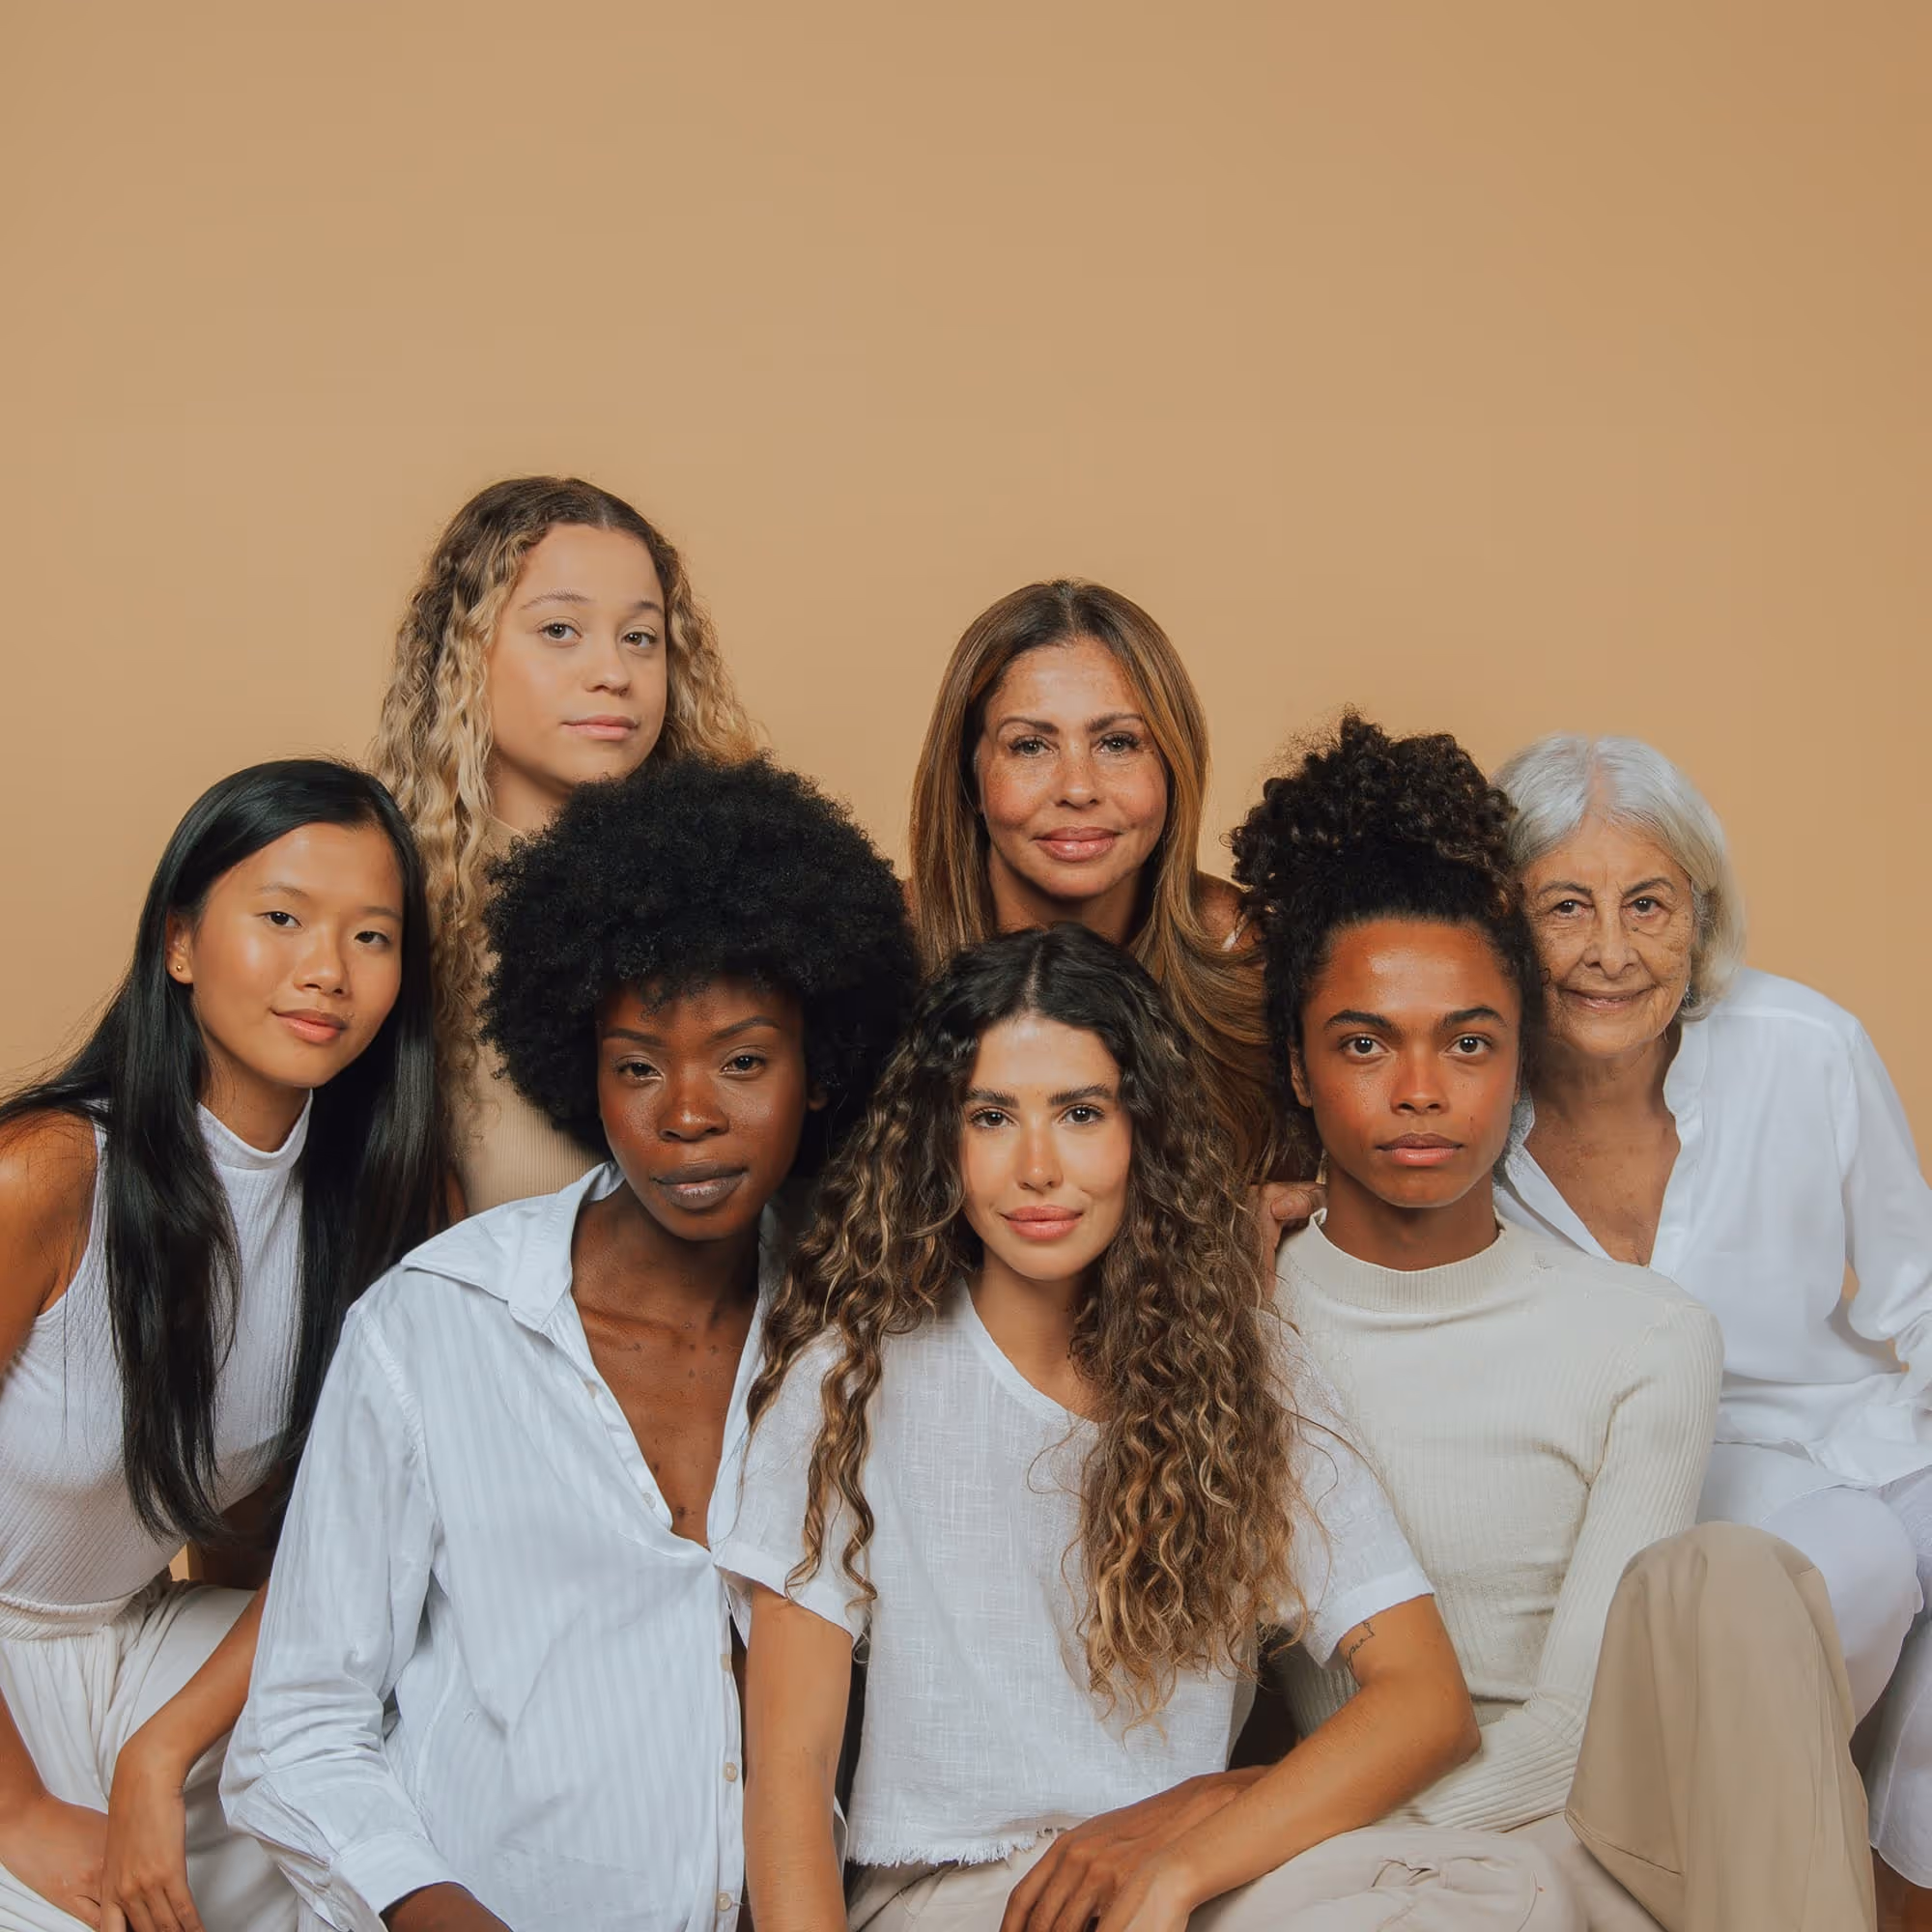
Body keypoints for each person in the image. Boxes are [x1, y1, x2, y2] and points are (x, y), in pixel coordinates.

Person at [727, 922, 1581, 1932]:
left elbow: (1421, 1701)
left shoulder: (1245, 1369)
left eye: (1080, 1112)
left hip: (1185, 1883)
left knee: (1505, 1894)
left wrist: (1182, 1862)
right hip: (954, 1894)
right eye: (992, 1114)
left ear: (1142, 1132)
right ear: (941, 1140)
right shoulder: (848, 1382)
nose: (1037, 1166)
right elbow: (786, 1779)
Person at [222, 756, 919, 1932]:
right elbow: (296, 1730)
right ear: (580, 1068)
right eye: (637, 1064)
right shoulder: (435, 1325)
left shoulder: (860, 1338)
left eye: (743, 1060)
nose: (685, 1112)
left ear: (820, 1070)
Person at [1237, 716, 1874, 1931]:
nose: (1419, 1090)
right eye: (1365, 1043)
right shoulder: (1243, 1318)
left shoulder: (1647, 1335)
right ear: (1300, 1065)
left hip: (1602, 1828)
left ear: (1516, 1052)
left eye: (1465, 1043)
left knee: (1737, 1569)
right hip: (1358, 1869)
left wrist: (1256, 1819)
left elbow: (1575, 1729)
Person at [0, 760, 442, 1932]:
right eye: (283, 917)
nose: (326, 970)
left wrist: (165, 1748)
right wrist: (17, 1813)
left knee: (426, 1688)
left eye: (372, 935)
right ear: (182, 942)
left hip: (140, 1653)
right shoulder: (45, 1176)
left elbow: (315, 1553)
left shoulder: (384, 1210)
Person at [1491, 731, 1931, 1897]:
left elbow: (1919, 1291)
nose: (1610, 952)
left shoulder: (1805, 1045)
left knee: (1861, 1563)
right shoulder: (1457, 1092)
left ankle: (1880, 1888)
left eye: (1648, 903)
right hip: (1592, 1500)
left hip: (1824, 1458)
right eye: (1563, 907)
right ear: (1497, 917)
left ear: (1700, 910)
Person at [373, 474, 760, 1214]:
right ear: (464, 656)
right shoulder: (384, 906)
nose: (614, 674)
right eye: (560, 631)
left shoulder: (750, 894)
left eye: (641, 639)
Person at [906, 581, 1281, 1184]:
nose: (1077, 788)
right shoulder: (883, 953)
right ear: (968, 774)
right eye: (1030, 745)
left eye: (1117, 743)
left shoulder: (1248, 961)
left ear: (1174, 765)